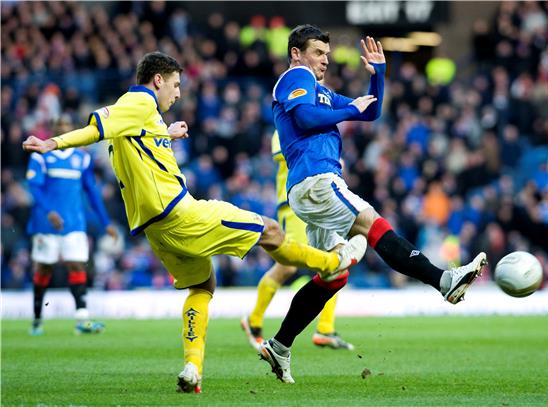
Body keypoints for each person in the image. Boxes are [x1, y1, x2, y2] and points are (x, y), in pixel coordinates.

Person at [22, 51, 367, 394]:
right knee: (271, 230)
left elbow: (130, 140)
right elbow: (95, 127)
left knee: (202, 287)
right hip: (182, 214)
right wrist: (52, 143)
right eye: (175, 85)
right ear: (157, 80)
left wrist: (164, 134)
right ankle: (334, 262)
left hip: (155, 231)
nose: (178, 93)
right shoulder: (138, 102)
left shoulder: (142, 119)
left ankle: (192, 368)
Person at [259, 25, 488, 384]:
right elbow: (305, 118)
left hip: (309, 187)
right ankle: (443, 280)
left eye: (327, 54)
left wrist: (378, 77)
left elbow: (370, 113)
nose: (324, 60)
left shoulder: (319, 91)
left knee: (334, 277)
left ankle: (280, 345)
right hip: (317, 180)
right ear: (296, 53)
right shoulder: (294, 78)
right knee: (373, 225)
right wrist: (348, 109)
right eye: (318, 52)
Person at [241, 130, 353, 351]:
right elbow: (283, 154)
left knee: (337, 257)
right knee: (288, 267)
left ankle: (325, 329)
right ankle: (253, 321)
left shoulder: (317, 126)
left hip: (321, 201)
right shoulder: (285, 125)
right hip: (294, 205)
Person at [26, 115, 118, 336]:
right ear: (54, 129)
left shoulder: (82, 158)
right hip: (46, 224)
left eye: (67, 126)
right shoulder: (42, 156)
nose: (63, 129)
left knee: (77, 266)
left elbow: (92, 193)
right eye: (60, 126)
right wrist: (49, 211)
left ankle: (82, 318)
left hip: (74, 223)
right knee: (43, 269)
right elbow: (34, 187)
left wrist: (106, 222)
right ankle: (38, 318)